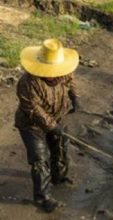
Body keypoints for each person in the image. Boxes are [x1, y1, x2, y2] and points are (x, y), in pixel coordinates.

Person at [15, 38, 80, 213]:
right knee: (39, 160)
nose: (57, 74)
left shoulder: (63, 70)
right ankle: (42, 198)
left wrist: (75, 97)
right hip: (31, 125)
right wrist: (52, 126)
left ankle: (59, 177)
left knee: (61, 148)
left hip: (58, 116)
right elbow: (33, 109)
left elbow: (70, 80)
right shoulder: (27, 83)